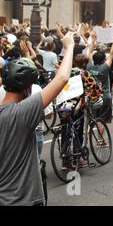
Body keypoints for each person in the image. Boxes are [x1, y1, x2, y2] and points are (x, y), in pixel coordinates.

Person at [0, 32, 75, 206]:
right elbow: (62, 78)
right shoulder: (21, 113)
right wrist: (69, 46)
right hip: (23, 199)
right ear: (27, 89)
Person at [87, 32, 113, 126]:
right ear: (103, 60)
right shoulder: (104, 68)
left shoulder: (89, 66)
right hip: (104, 96)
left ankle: (89, 134)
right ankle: (99, 140)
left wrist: (93, 40)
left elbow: (89, 52)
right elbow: (112, 53)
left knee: (93, 119)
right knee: (102, 120)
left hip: (92, 96)